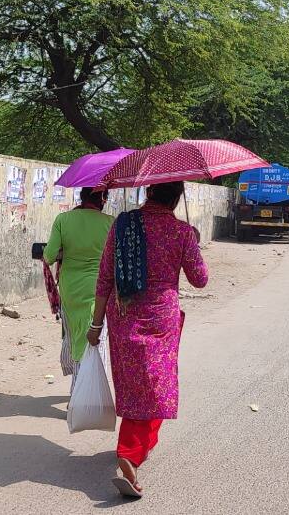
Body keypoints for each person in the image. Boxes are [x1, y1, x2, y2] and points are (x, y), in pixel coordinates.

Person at [87, 181, 208, 497]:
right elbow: (200, 280)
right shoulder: (181, 232)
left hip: (123, 315)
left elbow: (104, 278)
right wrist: (192, 241)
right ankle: (130, 452)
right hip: (160, 320)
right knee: (157, 385)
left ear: (148, 192)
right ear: (177, 197)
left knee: (134, 383)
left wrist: (96, 326)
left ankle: (137, 447)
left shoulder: (122, 225)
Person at [43, 188, 113, 394]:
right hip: (101, 290)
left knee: (75, 337)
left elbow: (48, 256)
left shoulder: (63, 220)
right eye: (105, 197)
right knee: (96, 337)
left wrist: (66, 251)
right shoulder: (111, 222)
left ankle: (78, 391)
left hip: (70, 290)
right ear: (101, 198)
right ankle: (89, 392)